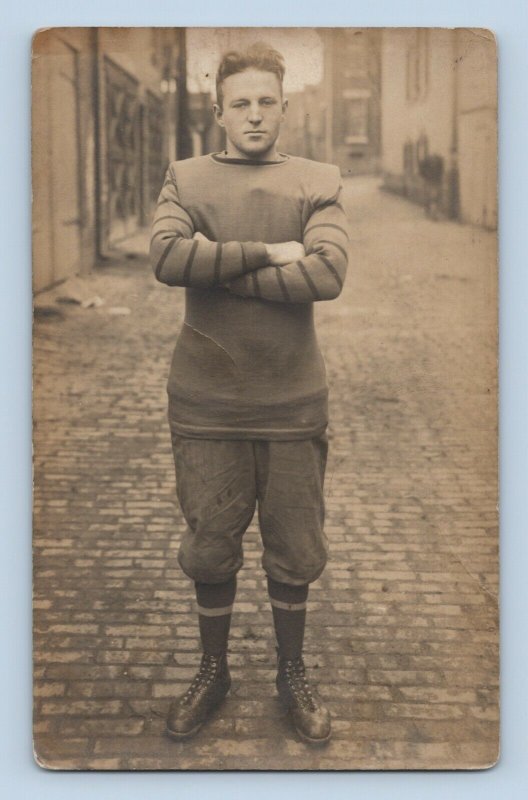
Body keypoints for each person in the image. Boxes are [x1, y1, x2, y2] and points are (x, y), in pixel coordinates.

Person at [150, 42, 349, 745]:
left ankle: (290, 673)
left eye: (267, 101)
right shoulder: (187, 176)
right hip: (205, 401)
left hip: (294, 400)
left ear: (285, 107)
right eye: (241, 103)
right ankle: (214, 670)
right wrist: (266, 254)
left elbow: (327, 273)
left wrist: (217, 268)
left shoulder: (317, 180)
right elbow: (168, 258)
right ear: (218, 111)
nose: (255, 115)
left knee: (296, 548)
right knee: (210, 544)